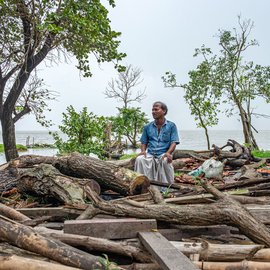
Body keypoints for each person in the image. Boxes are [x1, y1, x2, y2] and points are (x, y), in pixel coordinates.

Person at [134, 101, 179, 184]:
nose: (153, 112)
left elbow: (174, 142)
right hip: (150, 153)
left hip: (163, 153)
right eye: (152, 110)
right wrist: (143, 151)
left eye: (156, 109)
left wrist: (168, 153)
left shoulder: (171, 126)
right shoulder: (147, 127)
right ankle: (142, 184)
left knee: (165, 161)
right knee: (139, 159)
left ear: (164, 111)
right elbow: (144, 142)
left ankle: (167, 187)